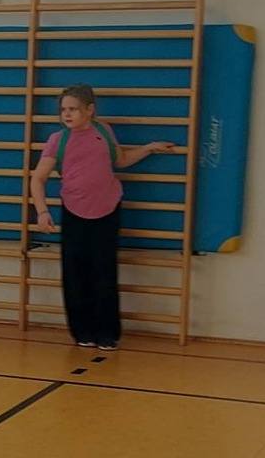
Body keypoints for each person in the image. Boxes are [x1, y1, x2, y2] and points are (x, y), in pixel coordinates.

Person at [29, 84, 180, 352]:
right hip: (74, 211)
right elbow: (38, 179)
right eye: (63, 110)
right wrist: (42, 211)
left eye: (73, 109)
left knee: (104, 272)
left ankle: (107, 333)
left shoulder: (103, 131)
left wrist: (148, 148)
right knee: (76, 273)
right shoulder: (57, 140)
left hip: (108, 209)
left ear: (90, 110)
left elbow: (120, 160)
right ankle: (82, 331)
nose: (67, 114)